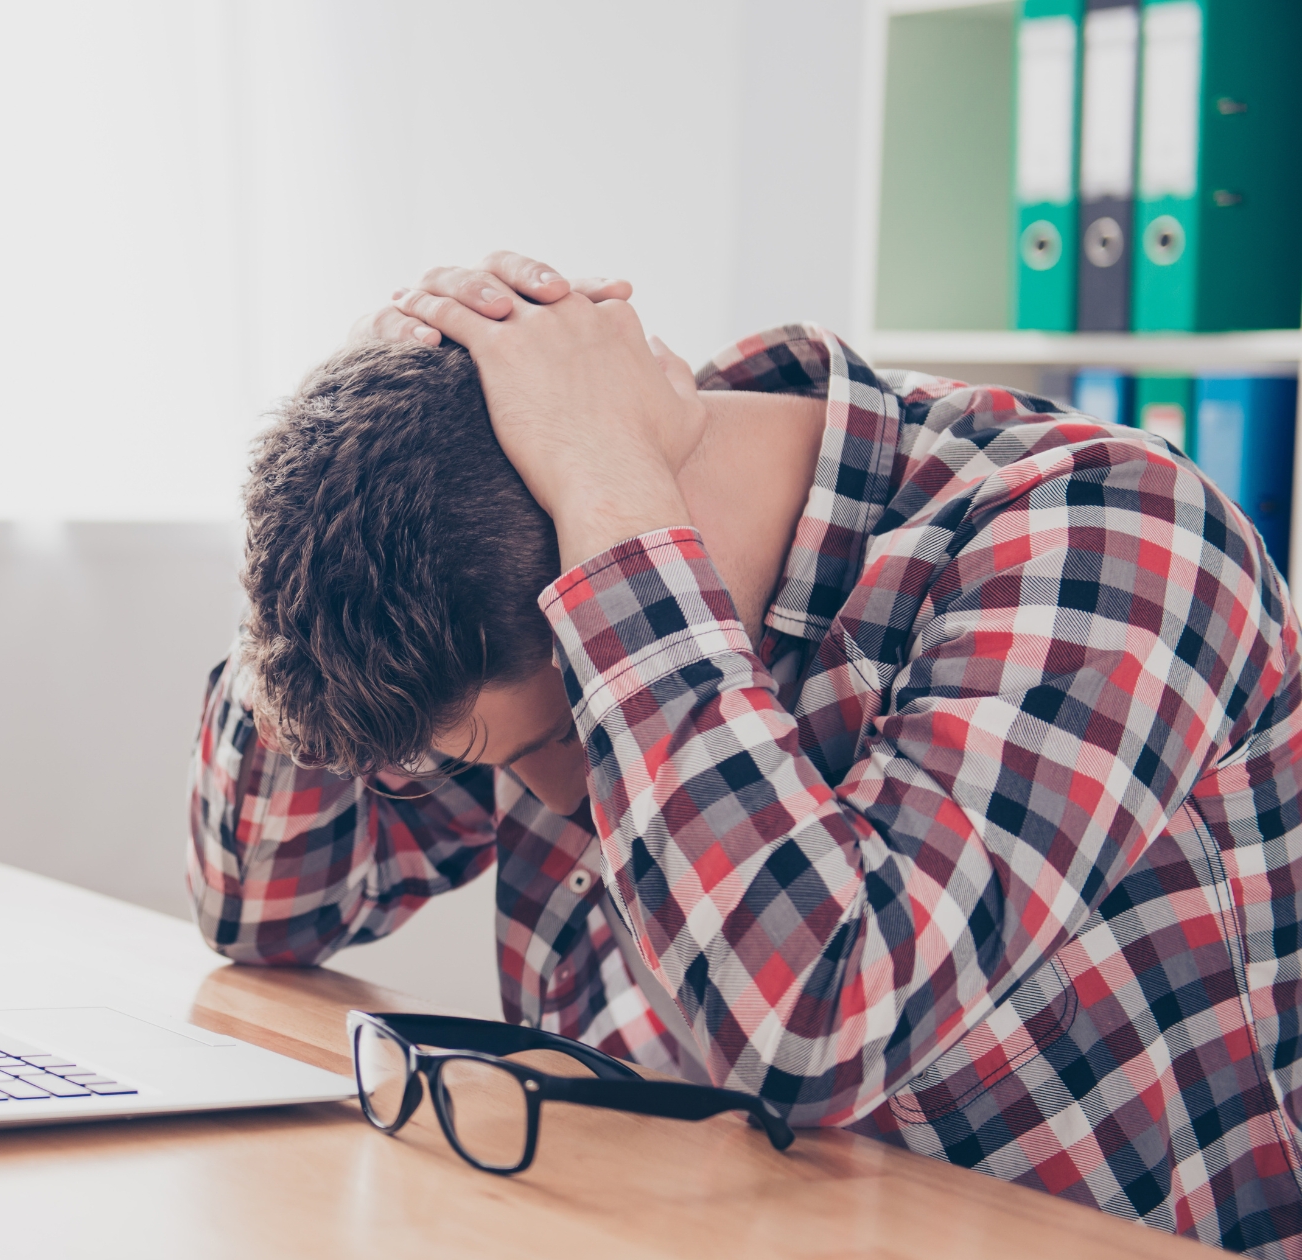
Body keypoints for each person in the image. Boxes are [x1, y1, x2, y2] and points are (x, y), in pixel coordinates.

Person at [189, 251, 1302, 1256]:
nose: (575, 797)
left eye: (534, 748)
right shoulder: (497, 594)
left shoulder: (1104, 532)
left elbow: (818, 1025)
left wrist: (617, 510)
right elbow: (265, 908)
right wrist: (334, 497)